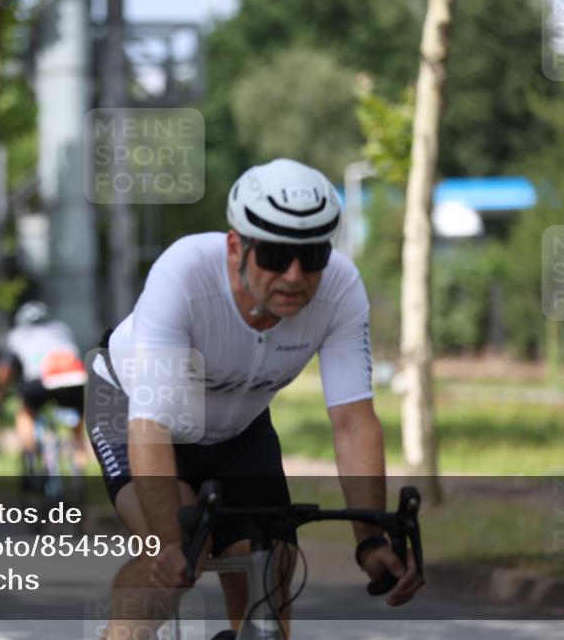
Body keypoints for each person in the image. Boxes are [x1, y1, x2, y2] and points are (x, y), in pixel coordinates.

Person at [86, 159, 423, 639]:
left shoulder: (342, 289)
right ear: (235, 247)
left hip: (238, 427)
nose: (293, 275)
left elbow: (353, 421)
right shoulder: (183, 273)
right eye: (274, 255)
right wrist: (166, 542)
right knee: (184, 549)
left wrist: (370, 540)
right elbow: (151, 424)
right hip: (132, 409)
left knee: (272, 563)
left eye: (311, 258)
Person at [0, 301, 89, 472]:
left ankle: (30, 458)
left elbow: (5, 372)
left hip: (38, 380)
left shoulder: (17, 335)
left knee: (25, 414)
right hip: (72, 379)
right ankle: (80, 473)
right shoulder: (62, 329)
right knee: (76, 430)